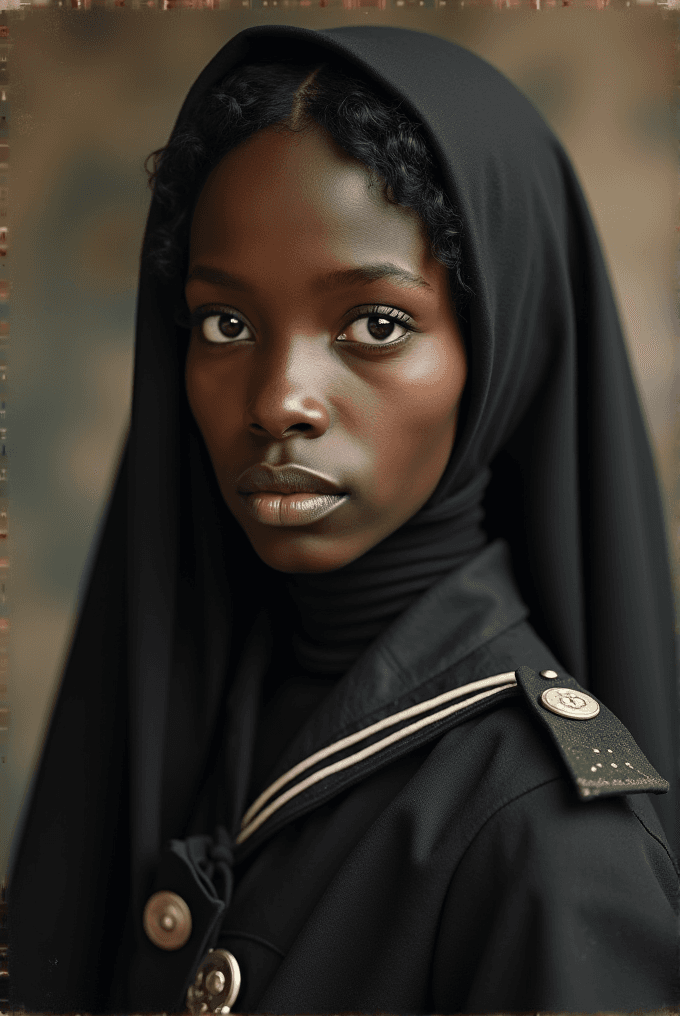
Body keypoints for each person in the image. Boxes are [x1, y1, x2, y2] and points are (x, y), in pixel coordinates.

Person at [8, 24, 679, 1015]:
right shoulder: (194, 699)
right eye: (224, 322)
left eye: (374, 322)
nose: (278, 398)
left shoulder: (553, 837)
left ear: (500, 352)